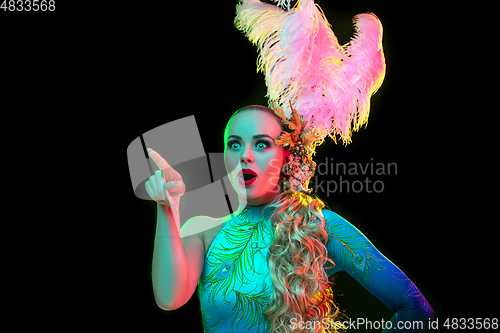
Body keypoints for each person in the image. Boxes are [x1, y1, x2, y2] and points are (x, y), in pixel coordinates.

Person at [145, 1, 434, 332]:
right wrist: (168, 208)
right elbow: (170, 298)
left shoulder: (321, 225)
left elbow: (414, 309)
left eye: (262, 144)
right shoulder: (206, 226)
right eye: (234, 144)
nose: (245, 155)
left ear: (287, 157)